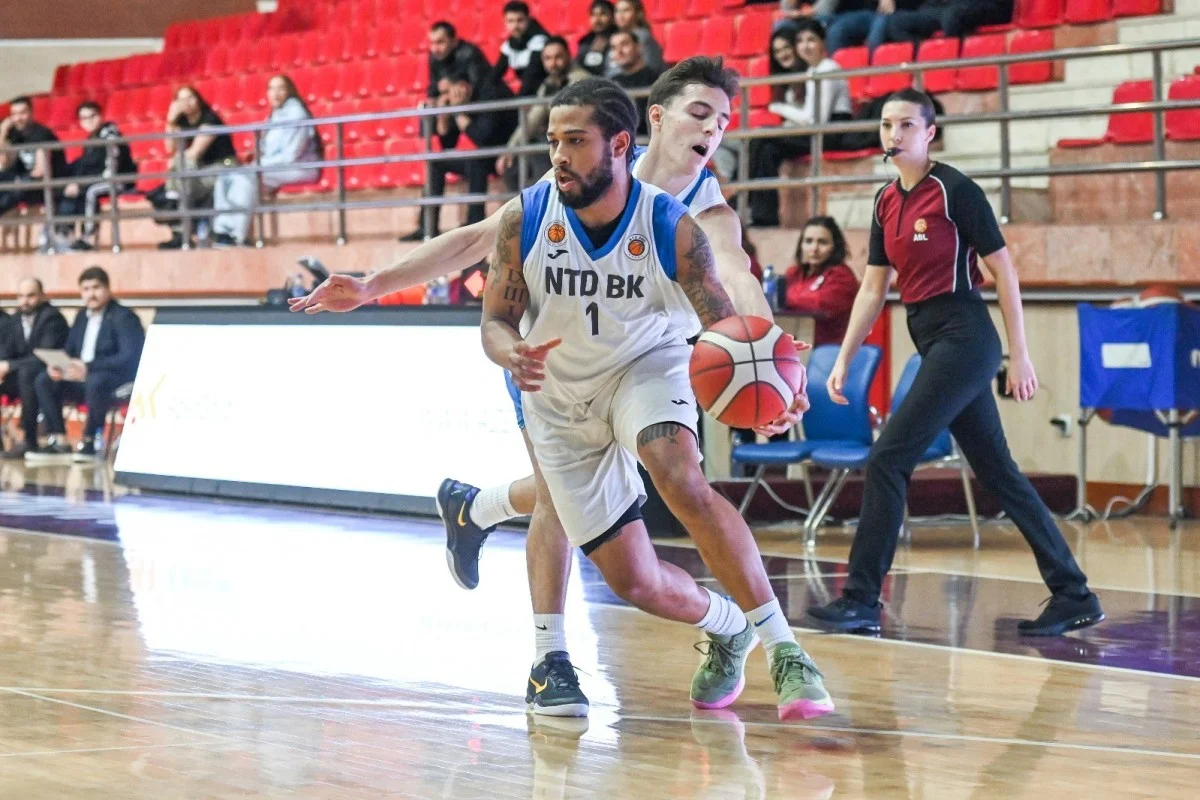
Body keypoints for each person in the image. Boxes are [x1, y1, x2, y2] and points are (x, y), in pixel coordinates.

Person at [290, 60, 818, 721]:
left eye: (723, 119)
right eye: (699, 112)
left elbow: (735, 284)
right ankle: (545, 640)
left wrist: (765, 359)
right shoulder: (570, 174)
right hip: (552, 360)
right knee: (572, 511)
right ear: (651, 121)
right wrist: (374, 284)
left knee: (669, 474)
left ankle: (485, 526)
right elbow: (478, 241)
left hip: (642, 369)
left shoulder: (701, 214)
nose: (712, 128)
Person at [482, 77, 832, 722]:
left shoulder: (672, 223)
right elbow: (495, 320)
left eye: (575, 142)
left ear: (619, 144)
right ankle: (728, 625)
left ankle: (787, 649)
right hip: (558, 392)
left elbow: (727, 317)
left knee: (676, 468)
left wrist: (773, 380)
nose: (558, 154)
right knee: (633, 580)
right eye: (554, 141)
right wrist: (507, 349)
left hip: (646, 367)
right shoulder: (523, 217)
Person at [805, 89, 1104, 637]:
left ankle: (861, 600)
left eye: (906, 125)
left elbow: (1005, 272)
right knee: (998, 473)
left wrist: (1020, 354)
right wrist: (843, 359)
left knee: (888, 458)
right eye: (886, 124)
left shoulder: (955, 191)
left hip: (966, 338)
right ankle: (1074, 593)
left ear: (930, 132)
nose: (893, 135)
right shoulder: (884, 201)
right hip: (931, 336)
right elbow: (874, 287)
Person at [27, 266, 145, 463]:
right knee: (44, 380)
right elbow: (71, 350)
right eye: (86, 289)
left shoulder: (124, 317)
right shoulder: (82, 317)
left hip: (113, 380)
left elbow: (129, 357)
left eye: (96, 288)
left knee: (96, 381)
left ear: (107, 289)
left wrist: (88, 368)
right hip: (80, 378)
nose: (91, 294)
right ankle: (60, 440)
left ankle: (89, 441)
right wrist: (60, 366)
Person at [749, 18, 853, 228]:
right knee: (765, 146)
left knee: (762, 138)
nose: (805, 46)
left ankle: (753, 207)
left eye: (811, 40)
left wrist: (778, 108)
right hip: (818, 131)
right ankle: (762, 216)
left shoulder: (828, 68)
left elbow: (816, 120)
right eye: (800, 41)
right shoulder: (812, 71)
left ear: (823, 43)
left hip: (833, 132)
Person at [404, 69, 519, 240]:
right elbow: (448, 145)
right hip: (486, 153)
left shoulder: (487, 93)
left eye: (446, 92)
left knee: (476, 162)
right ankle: (427, 226)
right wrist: (443, 117)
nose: (444, 98)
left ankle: (475, 223)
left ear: (462, 87)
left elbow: (483, 137)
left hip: (509, 151)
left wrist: (458, 112)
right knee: (437, 162)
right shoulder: (458, 102)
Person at [211, 74, 321, 247]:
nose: (275, 93)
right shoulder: (275, 115)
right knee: (225, 177)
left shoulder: (296, 113)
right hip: (275, 168)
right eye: (271, 88)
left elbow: (290, 155)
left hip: (299, 167)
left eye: (280, 88)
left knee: (246, 177)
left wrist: (258, 165)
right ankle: (221, 229)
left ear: (289, 91)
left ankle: (237, 235)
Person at [152, 85, 238, 250]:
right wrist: (170, 121)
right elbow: (170, 148)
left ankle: (180, 228)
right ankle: (180, 228)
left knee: (181, 176)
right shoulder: (181, 122)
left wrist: (175, 162)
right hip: (198, 171)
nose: (187, 103)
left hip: (224, 166)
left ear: (198, 99)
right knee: (180, 176)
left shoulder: (210, 119)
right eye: (181, 99)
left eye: (190, 97)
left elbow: (193, 154)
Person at [0, 278, 69, 459]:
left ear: (42, 296)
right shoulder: (14, 320)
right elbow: (7, 352)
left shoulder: (52, 317)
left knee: (28, 375)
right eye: (21, 296)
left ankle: (29, 440)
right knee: (20, 374)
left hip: (49, 375)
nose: (25, 301)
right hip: (21, 376)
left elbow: (43, 356)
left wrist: (9, 365)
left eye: (30, 295)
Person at [498, 36, 578, 192]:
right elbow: (533, 117)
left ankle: (544, 206)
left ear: (569, 55)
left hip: (577, 142)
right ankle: (527, 210)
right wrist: (511, 149)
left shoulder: (579, 79)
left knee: (540, 152)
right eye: (548, 58)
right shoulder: (549, 83)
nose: (553, 63)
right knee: (512, 167)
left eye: (558, 57)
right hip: (558, 140)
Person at [55, 101, 137, 252]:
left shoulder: (110, 134)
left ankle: (89, 236)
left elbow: (111, 169)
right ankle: (65, 233)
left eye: (92, 116)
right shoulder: (90, 141)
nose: (88, 121)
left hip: (118, 180)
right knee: (64, 191)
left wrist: (81, 185)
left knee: (91, 191)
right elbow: (85, 167)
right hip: (95, 180)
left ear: (100, 116)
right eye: (84, 118)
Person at [782, 216, 858, 346]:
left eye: (822, 242)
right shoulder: (794, 273)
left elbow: (819, 303)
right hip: (798, 346)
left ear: (835, 246)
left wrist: (783, 298)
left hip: (831, 351)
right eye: (808, 241)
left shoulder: (842, 277)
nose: (814, 248)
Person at [0, 96, 68, 218]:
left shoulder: (42, 134)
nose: (18, 118)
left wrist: (18, 180)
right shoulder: (14, 134)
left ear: (31, 113)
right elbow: (3, 164)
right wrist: (3, 133)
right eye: (14, 114)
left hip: (49, 184)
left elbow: (40, 171)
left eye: (22, 113)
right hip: (26, 182)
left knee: (17, 188)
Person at [885, 0, 1014, 45]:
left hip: (990, 5)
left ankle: (955, 64)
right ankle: (924, 60)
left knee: (953, 16)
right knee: (896, 22)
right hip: (947, 7)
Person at [608, 30, 662, 136]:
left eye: (624, 44)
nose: (619, 51)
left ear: (639, 47)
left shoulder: (656, 79)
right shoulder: (611, 83)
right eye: (614, 48)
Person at [493, 1, 551, 97]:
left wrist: (518, 101)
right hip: (527, 93)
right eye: (510, 21)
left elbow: (533, 74)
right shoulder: (508, 45)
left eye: (520, 20)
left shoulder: (539, 40)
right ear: (504, 22)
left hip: (546, 90)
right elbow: (495, 75)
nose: (515, 26)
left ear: (528, 19)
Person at [425, 21, 492, 101]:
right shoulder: (434, 57)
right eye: (432, 43)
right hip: (461, 105)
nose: (434, 49)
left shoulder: (469, 53)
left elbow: (479, 86)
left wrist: (452, 83)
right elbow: (433, 90)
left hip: (489, 104)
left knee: (457, 95)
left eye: (440, 42)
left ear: (454, 41)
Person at [611, 0, 663, 76]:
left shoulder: (643, 37)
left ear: (639, 14)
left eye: (626, 10)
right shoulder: (614, 37)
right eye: (617, 11)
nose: (620, 15)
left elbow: (651, 70)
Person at [576, 0, 619, 77]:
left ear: (613, 17)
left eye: (603, 14)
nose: (597, 20)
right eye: (593, 14)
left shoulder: (620, 39)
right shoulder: (585, 41)